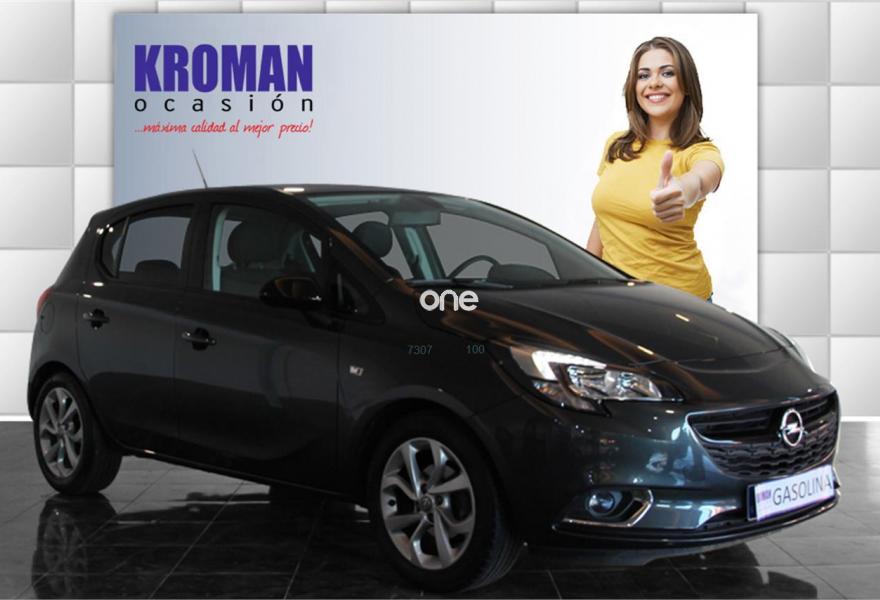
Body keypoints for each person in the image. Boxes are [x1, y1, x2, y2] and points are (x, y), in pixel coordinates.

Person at [587, 36, 724, 302]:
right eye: (643, 75)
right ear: (634, 87)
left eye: (668, 73)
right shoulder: (617, 145)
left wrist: (682, 190)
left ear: (687, 85)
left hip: (679, 302)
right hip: (617, 297)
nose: (654, 83)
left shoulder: (700, 152)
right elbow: (602, 222)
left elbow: (701, 179)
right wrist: (583, 284)